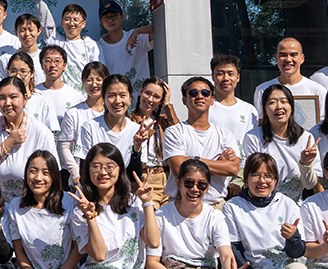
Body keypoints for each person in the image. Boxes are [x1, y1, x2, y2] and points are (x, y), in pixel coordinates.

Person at [224, 152, 316, 269]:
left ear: (276, 179)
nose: (262, 181)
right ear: (246, 178)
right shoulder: (233, 207)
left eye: (268, 176)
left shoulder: (287, 204)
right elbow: (235, 252)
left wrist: (293, 238)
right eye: (256, 175)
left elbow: (297, 252)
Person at [3, 150, 82, 269]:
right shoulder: (16, 206)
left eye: (45, 173)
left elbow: (78, 248)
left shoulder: (69, 202)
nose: (38, 178)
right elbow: (19, 250)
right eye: (33, 171)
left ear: (54, 176)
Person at [146, 158, 245, 269]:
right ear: (178, 183)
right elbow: (152, 262)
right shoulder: (161, 216)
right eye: (188, 183)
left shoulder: (215, 217)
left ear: (208, 187)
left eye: (201, 184)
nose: (194, 189)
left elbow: (226, 254)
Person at [0, 76, 58, 201]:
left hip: (29, 202)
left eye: (13, 97)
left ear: (25, 99)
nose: (7, 103)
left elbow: (51, 174)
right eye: (2, 98)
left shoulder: (41, 132)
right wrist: (8, 143)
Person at [162, 76, 239, 204]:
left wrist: (195, 160)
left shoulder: (224, 134)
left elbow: (233, 168)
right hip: (181, 205)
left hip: (215, 205)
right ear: (184, 100)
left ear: (212, 100)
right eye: (193, 93)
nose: (199, 96)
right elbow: (179, 170)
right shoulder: (174, 132)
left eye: (205, 93)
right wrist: (218, 163)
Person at [240, 83, 320, 198]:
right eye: (272, 102)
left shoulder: (305, 138)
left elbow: (309, 185)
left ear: (292, 106)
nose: (279, 106)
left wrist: (305, 164)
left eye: (284, 101)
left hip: (294, 204)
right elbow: (251, 178)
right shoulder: (253, 137)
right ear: (264, 109)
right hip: (261, 202)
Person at [25, 0, 101, 91]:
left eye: (76, 20)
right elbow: (44, 15)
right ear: (62, 23)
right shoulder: (56, 42)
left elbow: (99, 74)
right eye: (67, 19)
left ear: (83, 24)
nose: (71, 23)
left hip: (84, 97)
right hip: (60, 94)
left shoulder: (91, 45)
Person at [75, 73, 144, 178]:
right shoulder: (89, 127)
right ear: (103, 99)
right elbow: (85, 170)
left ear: (130, 98)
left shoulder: (137, 131)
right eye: (111, 95)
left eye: (122, 95)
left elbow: (135, 175)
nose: (118, 101)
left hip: (125, 187)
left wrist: (137, 147)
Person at [254, 38, 328, 126]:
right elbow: (261, 124)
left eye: (293, 55)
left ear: (302, 58)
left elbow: (321, 125)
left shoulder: (318, 91)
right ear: (276, 58)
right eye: (283, 55)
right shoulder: (262, 90)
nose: (288, 59)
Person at [57, 60, 110, 182]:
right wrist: (76, 174)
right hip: (82, 177)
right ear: (83, 82)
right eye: (89, 80)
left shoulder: (113, 113)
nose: (94, 84)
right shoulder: (73, 113)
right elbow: (65, 147)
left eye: (99, 79)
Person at [129, 77, 177, 205]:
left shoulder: (163, 120)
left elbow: (179, 133)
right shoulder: (129, 119)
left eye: (156, 97)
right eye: (148, 93)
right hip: (145, 176)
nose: (150, 99)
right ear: (140, 92)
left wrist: (168, 105)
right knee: (150, 214)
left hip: (166, 177)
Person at [208, 54, 258, 146]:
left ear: (238, 77)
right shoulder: (205, 108)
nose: (226, 78)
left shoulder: (249, 110)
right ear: (213, 77)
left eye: (230, 74)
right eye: (220, 74)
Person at [34, 45, 83, 136]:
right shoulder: (34, 93)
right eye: (48, 61)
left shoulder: (76, 96)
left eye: (57, 61)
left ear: (64, 66)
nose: (53, 65)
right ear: (41, 66)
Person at [95, 0, 152, 77]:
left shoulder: (136, 38)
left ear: (122, 17)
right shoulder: (97, 48)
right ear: (101, 21)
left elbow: (161, 26)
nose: (110, 20)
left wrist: (138, 31)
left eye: (113, 16)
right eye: (105, 17)